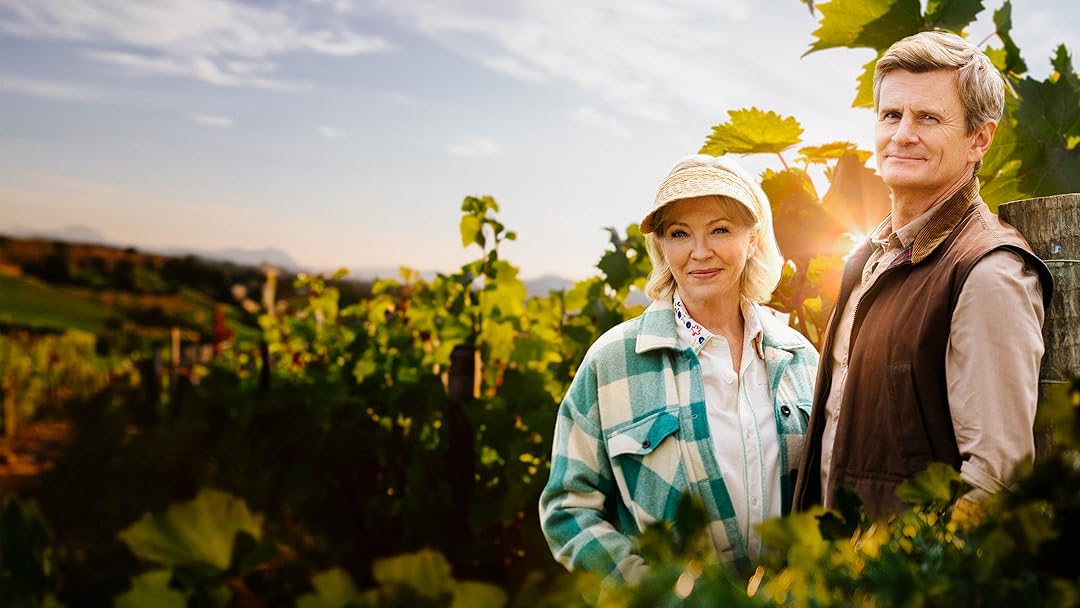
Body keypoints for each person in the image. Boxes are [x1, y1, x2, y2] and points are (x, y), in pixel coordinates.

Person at [792, 31, 1053, 518]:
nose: (902, 134)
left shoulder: (988, 271)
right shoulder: (868, 258)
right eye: (891, 115)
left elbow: (995, 481)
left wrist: (900, 576)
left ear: (979, 139)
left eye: (928, 118)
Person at [539, 154, 818, 583]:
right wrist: (651, 591)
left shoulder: (799, 358)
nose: (699, 252)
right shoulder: (612, 361)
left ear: (752, 239)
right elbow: (568, 507)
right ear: (662, 246)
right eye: (679, 233)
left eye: (720, 230)